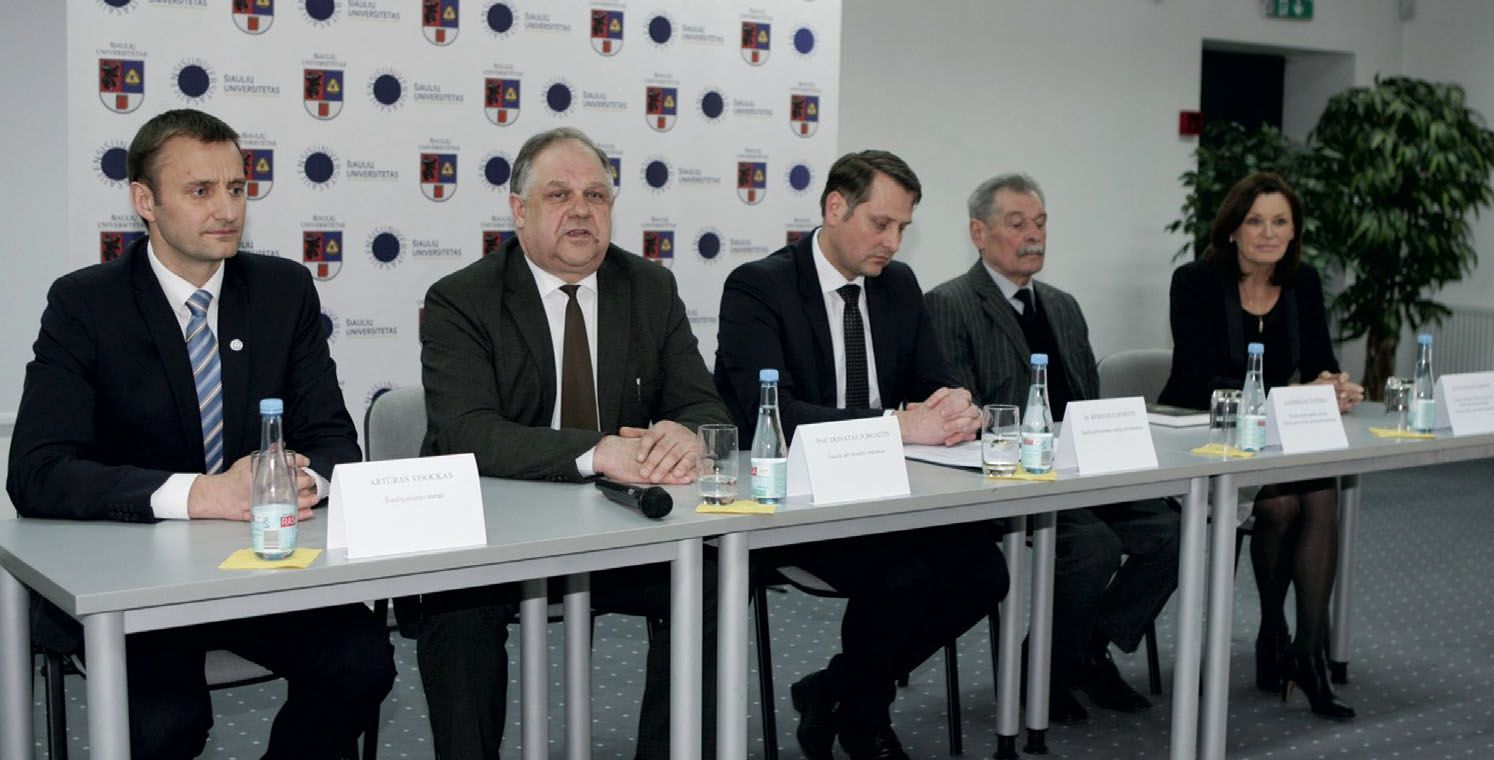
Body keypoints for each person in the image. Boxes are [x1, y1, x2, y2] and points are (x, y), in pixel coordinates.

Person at [6, 108, 395, 759]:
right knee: (167, 723)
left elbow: (333, 442)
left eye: (237, 188)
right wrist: (201, 494)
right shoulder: (86, 305)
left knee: (362, 662)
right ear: (145, 202)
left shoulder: (282, 290)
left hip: (262, 571)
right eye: (200, 191)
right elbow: (37, 471)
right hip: (134, 581)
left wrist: (295, 480)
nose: (227, 209)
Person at [418, 126, 730, 759]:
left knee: (715, 575)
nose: (581, 210)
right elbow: (466, 431)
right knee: (455, 605)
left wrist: (684, 433)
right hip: (499, 535)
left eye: (596, 195)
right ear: (519, 210)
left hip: (620, 532)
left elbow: (704, 405)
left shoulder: (649, 287)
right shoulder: (462, 299)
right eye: (559, 195)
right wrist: (597, 452)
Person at [714, 150, 1008, 760]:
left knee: (984, 571)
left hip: (891, 493)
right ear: (834, 208)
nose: (893, 243)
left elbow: (934, 380)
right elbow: (775, 415)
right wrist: (896, 426)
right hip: (798, 501)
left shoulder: (897, 286)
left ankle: (836, 691)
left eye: (903, 227)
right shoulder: (759, 287)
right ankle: (864, 718)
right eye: (881, 224)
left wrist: (959, 406)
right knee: (902, 576)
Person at [926, 173, 1181, 723]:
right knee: (1093, 545)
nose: (1034, 235)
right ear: (978, 232)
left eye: (1040, 223)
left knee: (1171, 532)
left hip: (1081, 470)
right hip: (1007, 478)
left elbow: (1088, 401)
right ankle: (1048, 666)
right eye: (1017, 223)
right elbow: (961, 414)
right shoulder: (949, 304)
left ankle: (1080, 650)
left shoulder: (1064, 306)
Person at [1158, 171, 1363, 719]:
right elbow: (1199, 378)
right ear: (1232, 230)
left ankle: (1305, 650)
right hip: (1201, 441)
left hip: (1273, 441)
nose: (1268, 233)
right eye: (1255, 221)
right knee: (1282, 504)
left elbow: (1320, 360)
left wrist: (1334, 385)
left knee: (1319, 492)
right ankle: (1277, 636)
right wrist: (1293, 394)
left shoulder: (1303, 282)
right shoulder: (1195, 282)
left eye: (1280, 222)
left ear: (1294, 232)